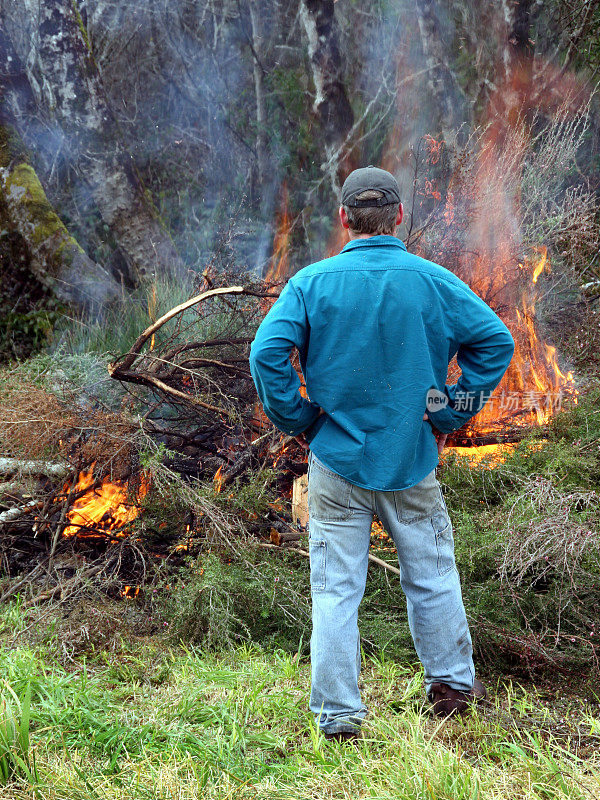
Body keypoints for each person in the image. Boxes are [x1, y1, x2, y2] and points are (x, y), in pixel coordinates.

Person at [249, 166, 514, 740]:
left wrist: (299, 418)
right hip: (411, 461)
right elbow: (496, 341)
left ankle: (340, 718)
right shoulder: (433, 281)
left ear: (344, 218)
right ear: (398, 217)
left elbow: (267, 353)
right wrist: (449, 412)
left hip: (336, 462)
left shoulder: (311, 284)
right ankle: (451, 691)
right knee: (434, 577)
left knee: (336, 590)